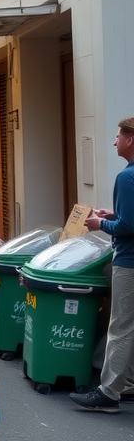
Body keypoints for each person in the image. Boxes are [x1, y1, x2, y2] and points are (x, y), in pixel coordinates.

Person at [70, 117, 134, 412]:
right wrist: (114, 217)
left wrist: (100, 223)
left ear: (130, 140)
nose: (114, 141)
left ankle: (108, 393)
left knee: (120, 326)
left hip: (129, 261)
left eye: (118, 136)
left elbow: (128, 226)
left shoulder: (127, 177)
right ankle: (127, 383)